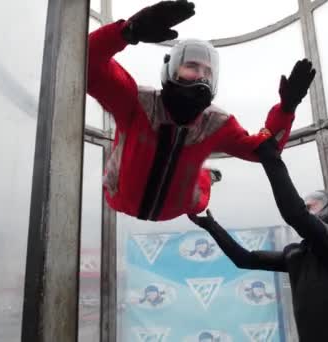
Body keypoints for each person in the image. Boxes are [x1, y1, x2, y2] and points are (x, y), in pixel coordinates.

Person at [87, 0, 316, 221]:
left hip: (180, 206)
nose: (201, 76)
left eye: (208, 71)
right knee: (196, 189)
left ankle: (207, 177)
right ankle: (204, 176)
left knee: (199, 196)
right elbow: (87, 64)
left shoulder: (216, 124)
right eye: (192, 66)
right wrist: (128, 31)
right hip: (119, 197)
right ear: (171, 69)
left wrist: (286, 109)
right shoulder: (137, 102)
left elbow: (263, 149)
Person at [188, 139, 328, 341]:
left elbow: (295, 214)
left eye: (312, 206)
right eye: (305, 206)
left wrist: (270, 158)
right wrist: (212, 227)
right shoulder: (299, 254)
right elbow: (245, 259)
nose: (306, 209)